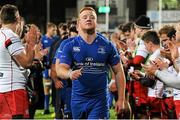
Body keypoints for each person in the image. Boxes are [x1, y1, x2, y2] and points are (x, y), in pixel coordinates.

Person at [56, 7, 126, 119]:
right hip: (78, 100)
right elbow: (60, 69)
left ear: (96, 22)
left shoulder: (107, 45)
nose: (88, 19)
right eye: (85, 17)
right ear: (79, 23)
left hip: (99, 100)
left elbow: (119, 71)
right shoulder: (70, 45)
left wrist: (121, 99)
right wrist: (69, 74)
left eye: (92, 17)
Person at [0, 4, 37, 119]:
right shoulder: (10, 36)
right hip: (12, 92)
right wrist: (31, 44)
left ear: (1, 19)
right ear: (18, 19)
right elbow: (26, 63)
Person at [41, 22, 57, 114]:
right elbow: (40, 51)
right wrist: (44, 51)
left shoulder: (56, 39)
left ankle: (56, 108)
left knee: (55, 87)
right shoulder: (43, 39)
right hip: (46, 66)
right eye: (53, 30)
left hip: (55, 66)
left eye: (55, 30)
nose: (54, 31)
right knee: (46, 87)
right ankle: (46, 108)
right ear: (48, 29)